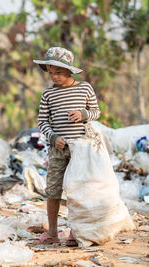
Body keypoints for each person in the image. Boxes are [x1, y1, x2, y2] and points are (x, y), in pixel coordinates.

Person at [32, 47, 100, 246]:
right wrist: (53, 138)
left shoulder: (85, 88)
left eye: (59, 72)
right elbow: (43, 122)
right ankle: (52, 232)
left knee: (78, 190)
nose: (54, 76)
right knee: (53, 190)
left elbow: (96, 112)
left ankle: (75, 231)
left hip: (81, 149)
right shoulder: (47, 95)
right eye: (51, 72)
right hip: (58, 150)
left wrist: (83, 114)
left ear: (70, 71)